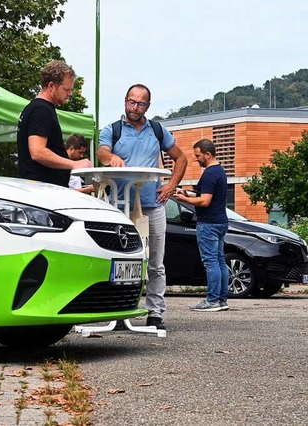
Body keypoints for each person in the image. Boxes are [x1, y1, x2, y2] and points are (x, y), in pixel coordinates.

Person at [98, 84, 188, 330]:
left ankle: (155, 312)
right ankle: (119, 311)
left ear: (148, 106)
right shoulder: (113, 129)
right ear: (125, 101)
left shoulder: (157, 130)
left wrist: (171, 186)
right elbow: (102, 151)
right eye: (131, 102)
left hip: (152, 205)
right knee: (120, 261)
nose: (134, 107)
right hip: (120, 206)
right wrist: (111, 158)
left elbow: (181, 157)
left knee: (156, 262)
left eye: (140, 104)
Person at [175, 139, 229, 312]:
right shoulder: (219, 171)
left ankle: (212, 300)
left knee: (210, 261)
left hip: (208, 224)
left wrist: (185, 199)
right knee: (220, 260)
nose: (196, 159)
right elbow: (206, 194)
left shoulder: (209, 174)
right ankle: (221, 299)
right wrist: (188, 192)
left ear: (208, 154)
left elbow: (205, 201)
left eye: (198, 156)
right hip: (221, 221)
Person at [17, 60, 92, 186]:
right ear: (51, 86)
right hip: (43, 189)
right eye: (66, 89)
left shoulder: (37, 108)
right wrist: (74, 164)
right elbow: (37, 152)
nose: (70, 94)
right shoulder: (41, 110)